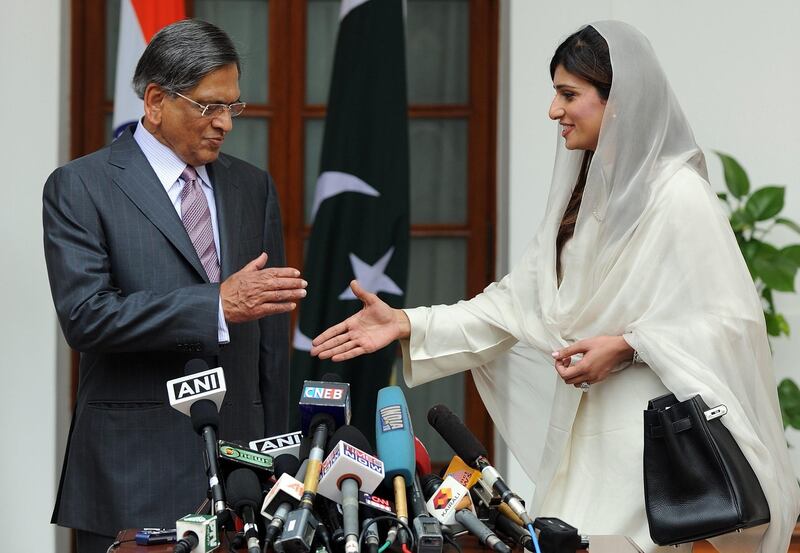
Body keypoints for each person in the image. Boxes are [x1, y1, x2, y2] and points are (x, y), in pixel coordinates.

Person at [311, 21, 800, 552]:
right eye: (554, 94)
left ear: (620, 102)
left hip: (651, 456)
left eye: (569, 95)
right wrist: (409, 322)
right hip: (578, 446)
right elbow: (513, 306)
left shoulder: (678, 195)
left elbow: (730, 322)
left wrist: (629, 345)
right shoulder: (583, 196)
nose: (553, 112)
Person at [43, 19, 307, 553]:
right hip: (131, 472)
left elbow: (270, 339)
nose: (225, 123)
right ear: (157, 101)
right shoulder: (81, 186)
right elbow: (87, 316)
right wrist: (214, 305)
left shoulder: (251, 187)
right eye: (209, 106)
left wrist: (283, 462)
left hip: (243, 473)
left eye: (233, 106)